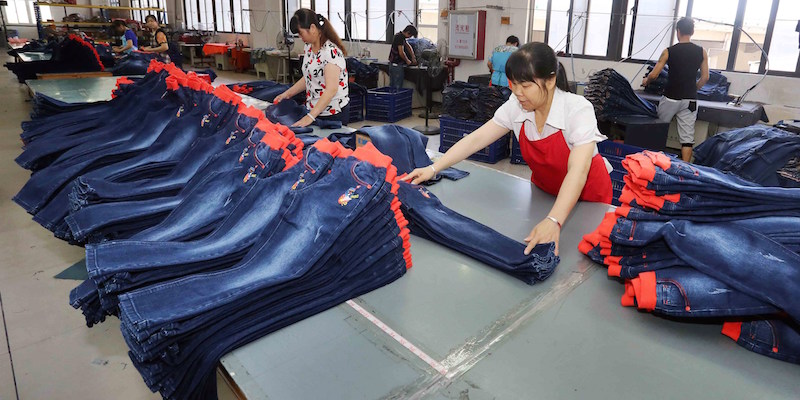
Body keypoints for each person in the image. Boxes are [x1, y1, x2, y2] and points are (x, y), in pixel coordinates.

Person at [402, 42, 612, 256]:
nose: (518, 92)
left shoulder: (577, 109)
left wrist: (554, 219)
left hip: (589, 200)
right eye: (514, 84)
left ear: (550, 80)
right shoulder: (517, 106)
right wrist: (434, 168)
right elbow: (477, 139)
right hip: (545, 194)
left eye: (526, 85)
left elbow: (578, 171)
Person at [642, 17, 708, 162]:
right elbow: (705, 78)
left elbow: (654, 74)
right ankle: (684, 170)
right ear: (692, 32)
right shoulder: (701, 51)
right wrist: (693, 89)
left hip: (671, 97)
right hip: (690, 99)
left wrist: (647, 81)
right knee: (687, 139)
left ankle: (654, 164)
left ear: (678, 31)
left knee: (658, 131)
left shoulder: (668, 51)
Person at [273, 9, 350, 126]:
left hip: (332, 114)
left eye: (301, 33)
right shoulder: (309, 48)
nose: (300, 37)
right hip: (315, 110)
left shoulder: (330, 53)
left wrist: (309, 117)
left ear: (312, 28)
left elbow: (331, 89)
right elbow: (309, 77)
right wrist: (287, 94)